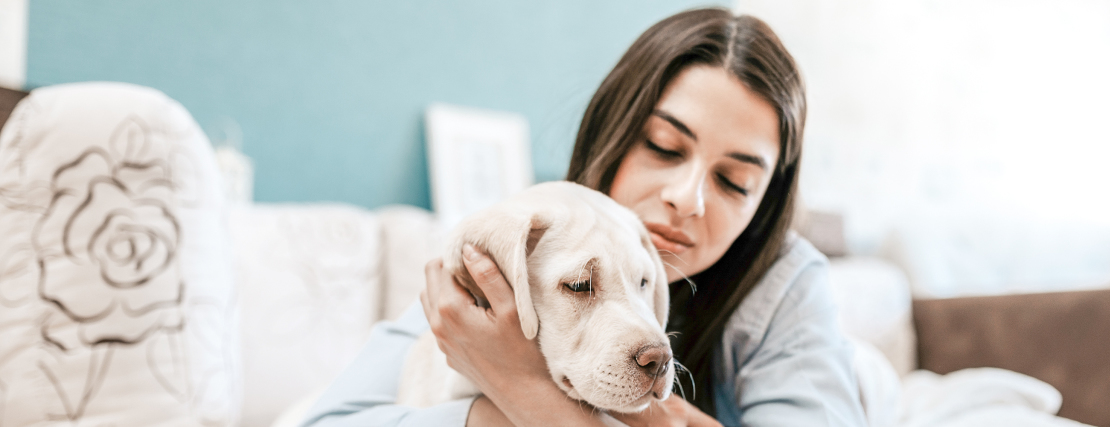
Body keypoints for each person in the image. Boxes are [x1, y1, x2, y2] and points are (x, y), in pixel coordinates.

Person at [302, 7, 865, 427]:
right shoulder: (528, 239)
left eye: (734, 181)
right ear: (614, 132)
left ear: (765, 201)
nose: (687, 198)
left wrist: (528, 394)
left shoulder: (788, 286)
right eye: (665, 147)